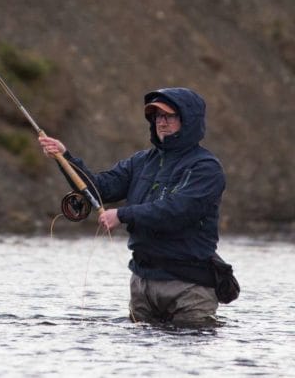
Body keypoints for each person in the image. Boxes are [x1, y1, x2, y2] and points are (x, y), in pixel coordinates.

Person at [38, 87, 226, 326]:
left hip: (189, 287)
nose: (162, 122)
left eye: (169, 116)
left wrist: (122, 215)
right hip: (142, 285)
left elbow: (176, 210)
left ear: (188, 120)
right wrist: (65, 158)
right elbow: (100, 188)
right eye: (157, 116)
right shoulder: (141, 162)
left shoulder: (206, 168)